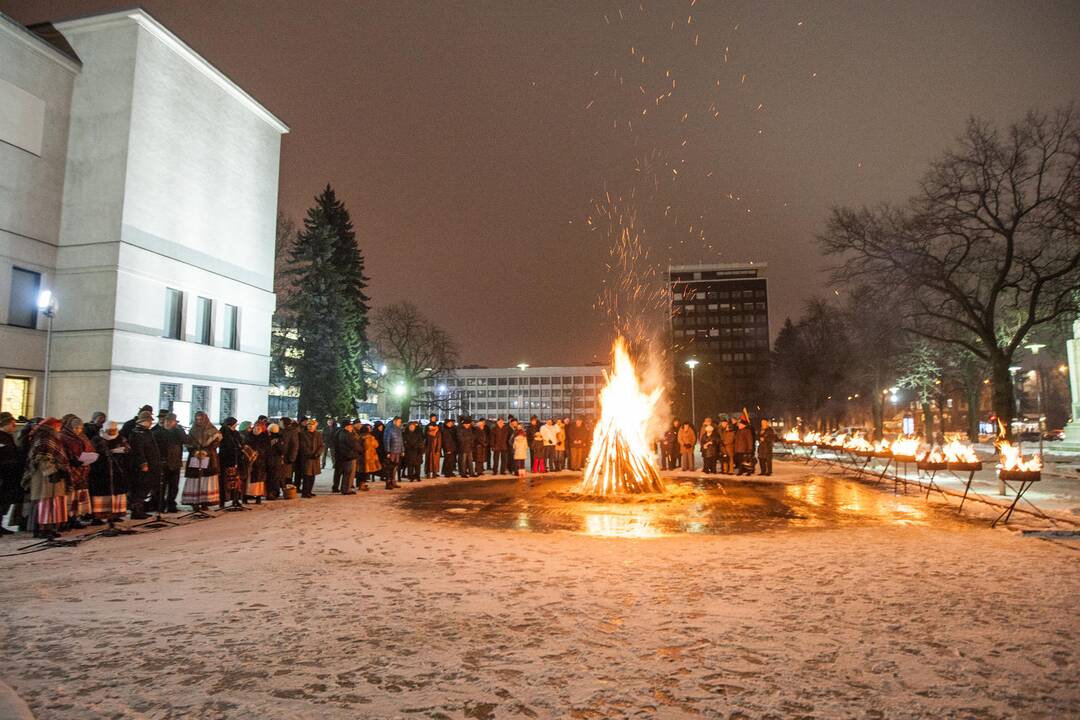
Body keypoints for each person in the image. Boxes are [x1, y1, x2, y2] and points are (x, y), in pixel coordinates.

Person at [24, 418, 70, 538]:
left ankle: (49, 527)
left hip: (52, 474)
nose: (60, 429)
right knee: (44, 502)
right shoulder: (45, 437)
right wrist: (50, 471)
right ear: (53, 426)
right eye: (58, 426)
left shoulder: (50, 437)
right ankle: (41, 528)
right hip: (44, 476)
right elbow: (42, 457)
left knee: (52, 503)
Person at [88, 421, 129, 523]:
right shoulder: (97, 439)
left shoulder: (120, 438)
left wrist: (124, 450)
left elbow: (127, 448)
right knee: (101, 494)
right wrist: (108, 452)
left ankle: (115, 514)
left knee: (117, 492)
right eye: (109, 431)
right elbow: (92, 452)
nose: (112, 433)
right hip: (101, 470)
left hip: (116, 469)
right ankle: (98, 516)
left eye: (114, 430)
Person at [59, 414, 94, 527]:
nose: (78, 430)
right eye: (76, 428)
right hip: (71, 470)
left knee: (79, 496)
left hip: (83, 470)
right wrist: (73, 460)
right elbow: (62, 453)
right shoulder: (63, 437)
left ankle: (75, 517)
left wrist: (90, 456)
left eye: (80, 428)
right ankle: (66, 518)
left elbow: (90, 448)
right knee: (70, 496)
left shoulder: (83, 437)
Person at [127, 410, 161, 519]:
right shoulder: (137, 433)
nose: (151, 423)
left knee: (146, 487)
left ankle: (140, 508)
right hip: (142, 466)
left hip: (152, 464)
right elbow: (138, 450)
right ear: (143, 421)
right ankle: (136, 510)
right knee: (140, 488)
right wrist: (143, 463)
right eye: (149, 421)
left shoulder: (147, 432)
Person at [183, 411, 221, 509]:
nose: (199, 421)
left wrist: (206, 451)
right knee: (195, 480)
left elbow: (216, 443)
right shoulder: (193, 430)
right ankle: (194, 502)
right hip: (195, 457)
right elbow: (189, 443)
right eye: (197, 419)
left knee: (206, 480)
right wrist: (194, 451)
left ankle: (205, 501)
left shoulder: (212, 430)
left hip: (209, 458)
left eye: (201, 419)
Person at [152, 412, 187, 513]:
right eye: (167, 421)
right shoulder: (157, 433)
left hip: (175, 462)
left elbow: (185, 440)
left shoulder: (178, 432)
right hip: (162, 463)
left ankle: (171, 504)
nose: (168, 423)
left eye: (171, 421)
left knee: (174, 486)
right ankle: (160, 505)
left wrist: (179, 429)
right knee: (161, 486)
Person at [0, 412, 24, 534]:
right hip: (2, 474)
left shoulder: (8, 437)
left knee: (5, 500)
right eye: (12, 424)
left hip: (10, 474)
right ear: (5, 424)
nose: (14, 426)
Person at [218, 417, 245, 508]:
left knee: (235, 481)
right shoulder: (223, 433)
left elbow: (240, 444)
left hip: (235, 460)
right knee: (225, 481)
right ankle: (223, 500)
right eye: (235, 424)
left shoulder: (235, 433)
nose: (236, 425)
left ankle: (235, 499)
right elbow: (225, 445)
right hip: (226, 460)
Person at [296, 417, 323, 497]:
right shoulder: (302, 434)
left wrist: (317, 454)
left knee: (313, 475)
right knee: (306, 475)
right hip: (306, 458)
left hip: (315, 458)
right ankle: (305, 492)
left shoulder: (318, 434)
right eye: (309, 425)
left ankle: (309, 491)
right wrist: (309, 454)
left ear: (315, 426)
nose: (310, 427)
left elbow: (321, 445)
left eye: (312, 425)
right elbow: (302, 446)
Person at [245, 420, 271, 503]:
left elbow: (266, 449)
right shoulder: (248, 436)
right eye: (255, 428)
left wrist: (258, 452)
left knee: (259, 479)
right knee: (249, 479)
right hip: (249, 461)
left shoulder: (265, 438)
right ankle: (246, 496)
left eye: (259, 428)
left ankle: (258, 496)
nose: (256, 430)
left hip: (260, 461)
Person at [332, 419, 356, 493]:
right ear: (346, 426)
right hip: (344, 455)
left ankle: (335, 487)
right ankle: (344, 489)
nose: (351, 427)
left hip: (338, 455)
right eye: (350, 426)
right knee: (346, 472)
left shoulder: (338, 432)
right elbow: (351, 445)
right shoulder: (345, 434)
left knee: (338, 472)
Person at [280, 417, 300, 491]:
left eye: (281, 422)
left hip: (288, 457)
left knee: (287, 475)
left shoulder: (292, 431)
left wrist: (292, 457)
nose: (280, 424)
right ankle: (283, 489)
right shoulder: (281, 431)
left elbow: (295, 445)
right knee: (281, 475)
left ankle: (288, 491)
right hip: (281, 457)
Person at [383, 417, 403, 489]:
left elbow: (401, 440)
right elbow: (386, 440)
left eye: (400, 422)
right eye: (399, 422)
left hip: (397, 451)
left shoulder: (399, 429)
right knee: (389, 467)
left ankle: (393, 481)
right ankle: (388, 483)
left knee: (395, 467)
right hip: (392, 451)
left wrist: (402, 450)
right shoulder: (389, 429)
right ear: (395, 421)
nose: (400, 423)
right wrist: (387, 451)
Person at [359, 424, 380, 491]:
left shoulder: (359, 437)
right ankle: (362, 485)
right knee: (365, 472)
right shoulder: (369, 438)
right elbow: (376, 445)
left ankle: (361, 484)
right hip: (369, 457)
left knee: (362, 471)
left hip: (362, 456)